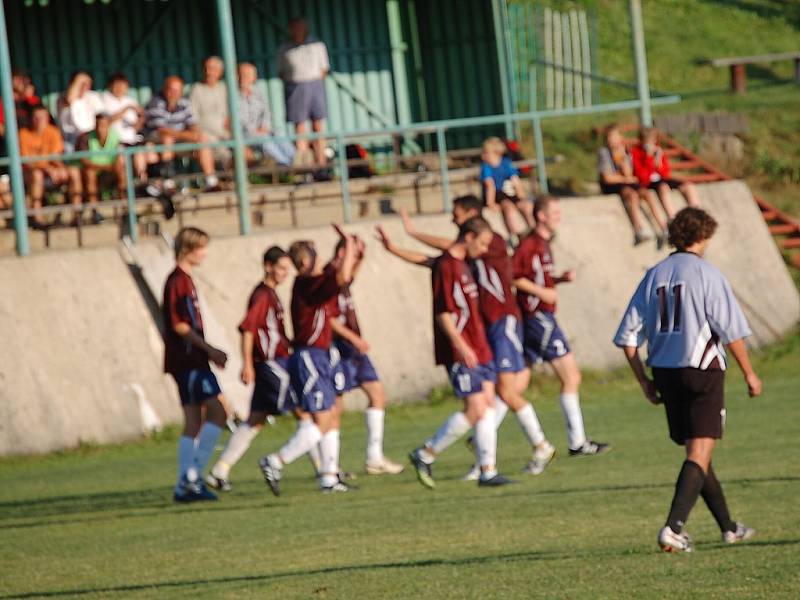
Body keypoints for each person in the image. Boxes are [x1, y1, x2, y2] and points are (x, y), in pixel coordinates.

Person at [614, 207, 761, 553]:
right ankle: (672, 528)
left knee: (698, 453)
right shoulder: (706, 273)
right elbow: (732, 331)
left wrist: (644, 382)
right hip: (701, 369)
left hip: (665, 371)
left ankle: (729, 527)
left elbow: (628, 338)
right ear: (703, 236)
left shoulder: (653, 275)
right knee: (699, 451)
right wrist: (750, 373)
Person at [399, 197, 556, 479]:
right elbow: (436, 260)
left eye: (457, 215)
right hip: (483, 329)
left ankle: (538, 445)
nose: (453, 221)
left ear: (472, 217)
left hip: (501, 319)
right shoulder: (459, 261)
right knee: (490, 397)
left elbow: (449, 247)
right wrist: (397, 248)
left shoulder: (491, 239)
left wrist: (413, 233)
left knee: (503, 393)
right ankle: (486, 465)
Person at [379, 217, 511, 489]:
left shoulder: (460, 262)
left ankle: (488, 471)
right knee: (475, 408)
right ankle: (425, 453)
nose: (485, 250)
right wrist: (461, 346)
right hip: (461, 349)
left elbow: (426, 259)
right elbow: (444, 313)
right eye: (483, 243)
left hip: (479, 345)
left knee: (487, 404)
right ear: (470, 237)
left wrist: (394, 248)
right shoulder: (448, 267)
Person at [258, 225, 356, 495]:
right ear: (305, 261)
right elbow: (342, 275)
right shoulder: (307, 284)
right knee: (321, 419)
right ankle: (276, 460)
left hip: (320, 356)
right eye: (314, 254)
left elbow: (336, 273)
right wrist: (347, 246)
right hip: (309, 356)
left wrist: (345, 252)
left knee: (332, 414)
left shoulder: (312, 282)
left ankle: (329, 477)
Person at [513, 195, 610, 456]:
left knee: (516, 385)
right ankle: (577, 443)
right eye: (554, 211)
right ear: (541, 215)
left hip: (539, 315)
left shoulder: (543, 244)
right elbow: (513, 276)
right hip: (539, 316)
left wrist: (558, 280)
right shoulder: (531, 244)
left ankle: (481, 433)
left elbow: (535, 278)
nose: (559, 216)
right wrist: (543, 293)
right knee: (571, 376)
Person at [206, 246, 295, 492]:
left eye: (288, 269)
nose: (285, 273)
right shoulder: (262, 295)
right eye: (281, 268)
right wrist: (247, 364)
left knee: (255, 420)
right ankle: (326, 472)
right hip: (271, 364)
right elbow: (248, 329)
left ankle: (220, 470)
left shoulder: (272, 294)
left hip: (275, 361)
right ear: (268, 266)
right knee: (307, 411)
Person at [326, 239, 404, 475]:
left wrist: (361, 257)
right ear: (342, 253)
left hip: (353, 349)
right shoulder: (328, 278)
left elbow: (350, 277)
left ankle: (374, 457)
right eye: (353, 251)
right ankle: (330, 467)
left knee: (377, 394)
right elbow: (328, 318)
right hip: (338, 347)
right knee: (335, 407)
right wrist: (354, 337)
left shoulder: (344, 279)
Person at [163, 227, 229, 502]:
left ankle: (185, 484)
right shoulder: (178, 281)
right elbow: (179, 324)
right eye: (201, 247)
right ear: (188, 249)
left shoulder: (185, 280)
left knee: (196, 420)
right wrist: (209, 349)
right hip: (189, 359)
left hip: (190, 359)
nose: (205, 253)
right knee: (219, 412)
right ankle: (192, 477)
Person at [144, 76, 221, 193]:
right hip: (157, 141)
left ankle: (211, 181)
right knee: (167, 139)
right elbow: (162, 130)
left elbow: (192, 124)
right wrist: (188, 135)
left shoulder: (184, 102)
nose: (173, 94)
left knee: (202, 139)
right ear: (165, 89)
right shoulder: (155, 102)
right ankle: (168, 182)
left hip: (179, 140)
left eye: (177, 91)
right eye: (171, 90)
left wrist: (196, 134)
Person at [277, 16, 330, 176]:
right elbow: (281, 72)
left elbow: (324, 68)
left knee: (318, 126)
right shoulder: (284, 49)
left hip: (315, 84)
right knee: (300, 128)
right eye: (295, 27)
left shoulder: (317, 45)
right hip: (295, 86)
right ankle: (306, 167)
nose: (298, 31)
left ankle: (322, 164)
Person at [598, 123, 666, 246]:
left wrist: (623, 160)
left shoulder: (625, 151)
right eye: (609, 137)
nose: (612, 140)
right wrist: (626, 179)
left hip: (625, 181)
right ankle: (639, 228)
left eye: (614, 137)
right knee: (632, 195)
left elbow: (628, 174)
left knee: (645, 193)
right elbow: (608, 178)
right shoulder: (604, 153)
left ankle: (662, 226)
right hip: (614, 185)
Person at [631, 127, 700, 245]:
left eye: (652, 140)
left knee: (688, 186)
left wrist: (658, 162)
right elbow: (642, 176)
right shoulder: (636, 152)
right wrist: (648, 158)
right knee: (663, 188)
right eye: (648, 140)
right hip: (648, 182)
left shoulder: (658, 151)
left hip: (661, 179)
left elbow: (665, 173)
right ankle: (674, 219)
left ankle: (697, 215)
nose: (651, 143)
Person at [19, 104, 82, 228]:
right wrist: (47, 168)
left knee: (74, 172)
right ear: (31, 119)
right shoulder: (23, 134)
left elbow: (55, 155)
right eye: (36, 117)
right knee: (37, 175)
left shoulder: (53, 132)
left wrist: (60, 169)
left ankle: (77, 214)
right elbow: (26, 161)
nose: (39, 121)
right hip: (30, 173)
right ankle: (37, 217)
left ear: (47, 118)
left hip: (51, 170)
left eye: (42, 117)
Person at [100, 72, 157, 182]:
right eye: (117, 85)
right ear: (111, 85)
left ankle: (146, 185)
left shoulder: (130, 100)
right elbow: (105, 122)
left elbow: (137, 126)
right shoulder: (104, 99)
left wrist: (140, 120)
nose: (120, 88)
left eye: (123, 85)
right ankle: (127, 190)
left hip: (132, 139)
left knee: (148, 154)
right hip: (115, 142)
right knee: (123, 160)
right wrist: (126, 109)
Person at [238, 62, 295, 167]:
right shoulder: (235, 96)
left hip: (262, 131)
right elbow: (240, 120)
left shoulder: (257, 92)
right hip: (246, 134)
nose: (245, 78)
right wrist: (255, 131)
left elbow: (266, 112)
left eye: (249, 75)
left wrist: (265, 126)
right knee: (266, 141)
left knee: (280, 134)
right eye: (243, 75)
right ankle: (285, 165)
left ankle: (295, 161)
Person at [75, 112, 125, 223]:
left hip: (109, 171)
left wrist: (113, 166)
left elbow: (118, 157)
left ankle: (124, 208)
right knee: (90, 173)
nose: (99, 128)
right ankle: (95, 211)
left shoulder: (115, 136)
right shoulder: (85, 138)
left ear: (108, 125)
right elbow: (84, 161)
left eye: (103, 125)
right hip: (93, 170)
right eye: (97, 125)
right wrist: (105, 166)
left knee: (122, 172)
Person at [480, 136, 534, 238]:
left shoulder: (506, 163)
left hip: (509, 193)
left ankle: (534, 231)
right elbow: (490, 185)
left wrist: (521, 197)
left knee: (527, 206)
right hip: (498, 195)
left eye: (486, 153)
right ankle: (516, 235)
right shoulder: (486, 167)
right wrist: (490, 203)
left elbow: (516, 181)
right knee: (508, 208)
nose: (482, 156)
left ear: (496, 153)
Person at [189, 56, 231, 163]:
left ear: (220, 71)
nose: (208, 72)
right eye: (206, 68)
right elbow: (192, 118)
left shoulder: (225, 88)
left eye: (212, 69)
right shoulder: (196, 89)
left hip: (227, 133)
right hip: (206, 134)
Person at [57, 71, 104, 153]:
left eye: (87, 83)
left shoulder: (93, 96)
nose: (85, 86)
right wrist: (80, 78)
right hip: (71, 139)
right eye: (81, 83)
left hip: (91, 137)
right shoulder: (63, 97)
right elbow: (69, 99)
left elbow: (102, 119)